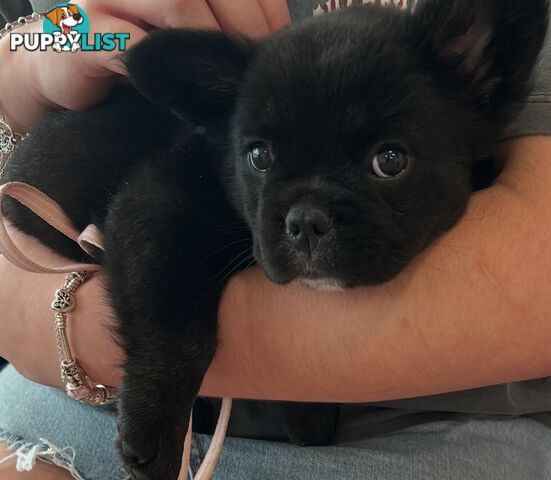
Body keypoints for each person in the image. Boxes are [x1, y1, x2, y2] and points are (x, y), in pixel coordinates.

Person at [1, 0, 551, 479]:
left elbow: (532, 279)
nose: (306, 220)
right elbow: (22, 48)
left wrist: (65, 335)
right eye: (262, 158)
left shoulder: (446, 63)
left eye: (388, 161)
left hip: (433, 425)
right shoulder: (219, 134)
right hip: (66, 389)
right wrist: (47, 46)